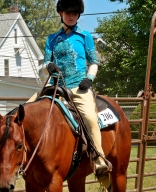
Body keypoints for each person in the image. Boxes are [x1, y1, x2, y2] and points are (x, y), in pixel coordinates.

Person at [29, 0, 109, 180]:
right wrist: (48, 66)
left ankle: (99, 160)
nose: (71, 16)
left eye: (75, 13)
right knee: (26, 109)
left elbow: (94, 62)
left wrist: (90, 78)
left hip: (79, 87)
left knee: (90, 118)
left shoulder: (85, 36)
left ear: (78, 15)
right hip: (55, 86)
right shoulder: (51, 39)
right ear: (60, 13)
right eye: (68, 13)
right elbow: (43, 65)